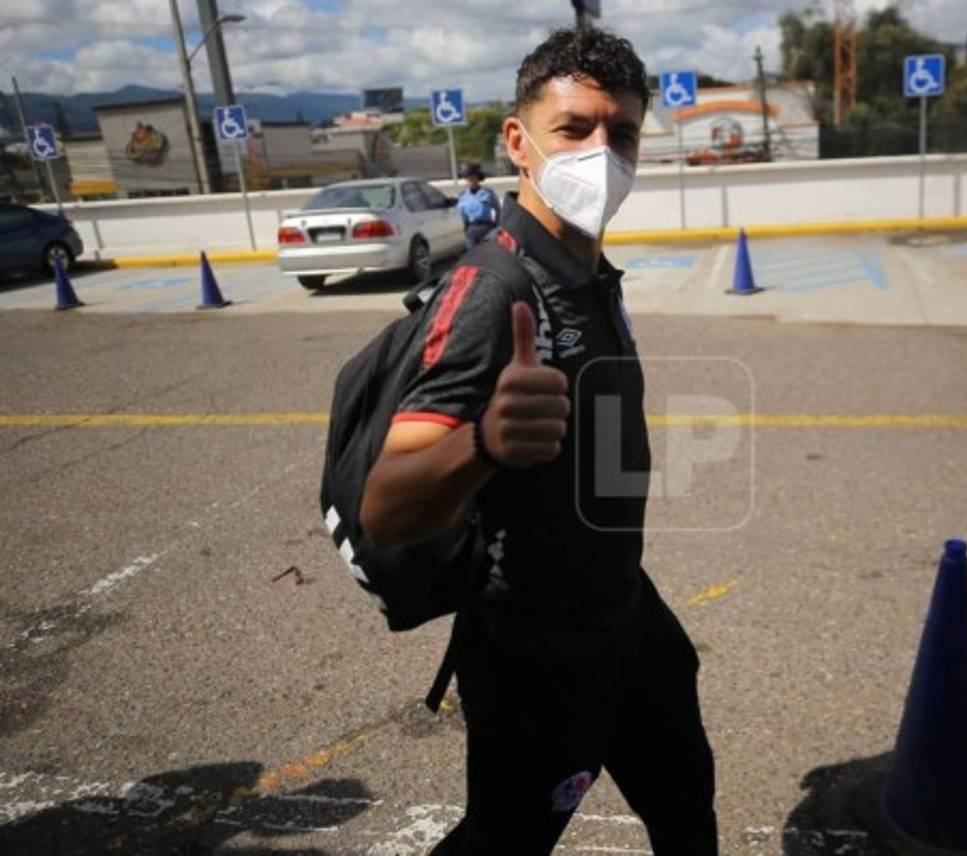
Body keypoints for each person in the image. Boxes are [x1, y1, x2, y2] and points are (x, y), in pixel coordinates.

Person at [359, 25, 718, 856]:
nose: (603, 151)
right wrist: (483, 441)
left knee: (686, 806)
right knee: (507, 838)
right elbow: (387, 506)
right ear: (519, 142)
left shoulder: (588, 270)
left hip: (624, 609)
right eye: (575, 128)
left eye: (621, 132)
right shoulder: (493, 290)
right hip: (536, 647)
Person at [456, 163, 500, 249]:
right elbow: (462, 215)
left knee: (488, 254)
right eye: (468, 178)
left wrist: (496, 226)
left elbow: (498, 210)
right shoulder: (463, 196)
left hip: (486, 228)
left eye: (472, 178)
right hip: (471, 228)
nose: (470, 181)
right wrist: (466, 229)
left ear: (477, 178)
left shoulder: (487, 193)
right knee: (473, 256)